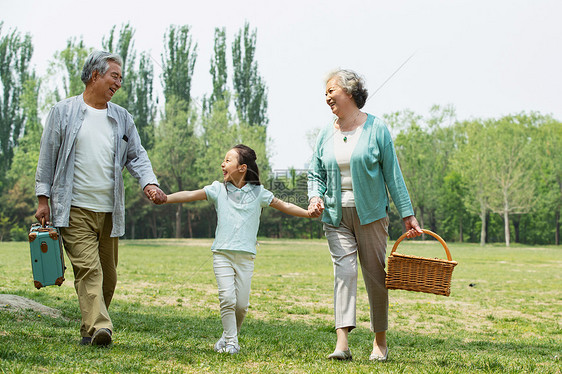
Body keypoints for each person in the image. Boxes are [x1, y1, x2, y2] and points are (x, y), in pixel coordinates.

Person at [34, 50, 166, 347]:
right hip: (73, 209)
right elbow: (47, 157)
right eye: (114, 76)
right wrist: (43, 199)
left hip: (109, 210)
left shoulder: (121, 117)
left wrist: (149, 183)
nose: (118, 83)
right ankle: (102, 327)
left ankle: (89, 330)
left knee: (108, 276)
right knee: (88, 269)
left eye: (120, 78)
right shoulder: (63, 111)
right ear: (95, 75)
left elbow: (137, 155)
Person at [150, 144, 323, 354]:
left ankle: (227, 336)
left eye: (228, 160)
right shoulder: (218, 189)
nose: (222, 164)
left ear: (242, 168)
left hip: (246, 257)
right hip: (222, 254)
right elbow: (190, 194)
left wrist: (308, 213)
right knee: (227, 299)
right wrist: (166, 198)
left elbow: (284, 205)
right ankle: (232, 343)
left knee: (241, 306)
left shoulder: (259, 193)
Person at [307, 69, 422, 362]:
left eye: (331, 91)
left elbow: (392, 175)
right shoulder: (325, 133)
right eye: (326, 93)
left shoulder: (376, 129)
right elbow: (315, 173)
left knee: (375, 276)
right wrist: (315, 195)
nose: (327, 97)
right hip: (335, 215)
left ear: (349, 92)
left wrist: (407, 214)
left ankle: (380, 341)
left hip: (371, 214)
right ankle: (342, 343)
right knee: (344, 273)